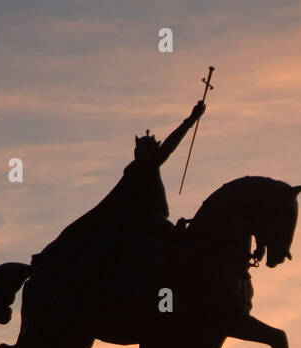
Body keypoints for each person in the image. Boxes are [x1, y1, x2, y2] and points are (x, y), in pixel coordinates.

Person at [33, 99, 206, 283]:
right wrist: (191, 119)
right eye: (153, 150)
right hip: (150, 226)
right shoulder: (144, 165)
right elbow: (168, 148)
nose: (156, 153)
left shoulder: (140, 168)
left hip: (156, 224)